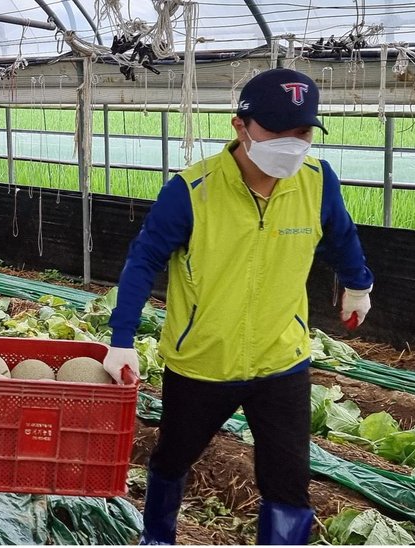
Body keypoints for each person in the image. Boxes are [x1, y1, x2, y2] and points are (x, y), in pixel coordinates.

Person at [104, 68, 374, 545]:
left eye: (304, 131)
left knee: (288, 479)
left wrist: (358, 284)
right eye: (277, 130)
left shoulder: (317, 180)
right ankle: (158, 537)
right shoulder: (192, 190)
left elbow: (341, 235)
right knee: (172, 458)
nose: (292, 143)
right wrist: (121, 338)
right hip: (203, 360)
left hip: (281, 359)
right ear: (240, 127)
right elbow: (144, 260)